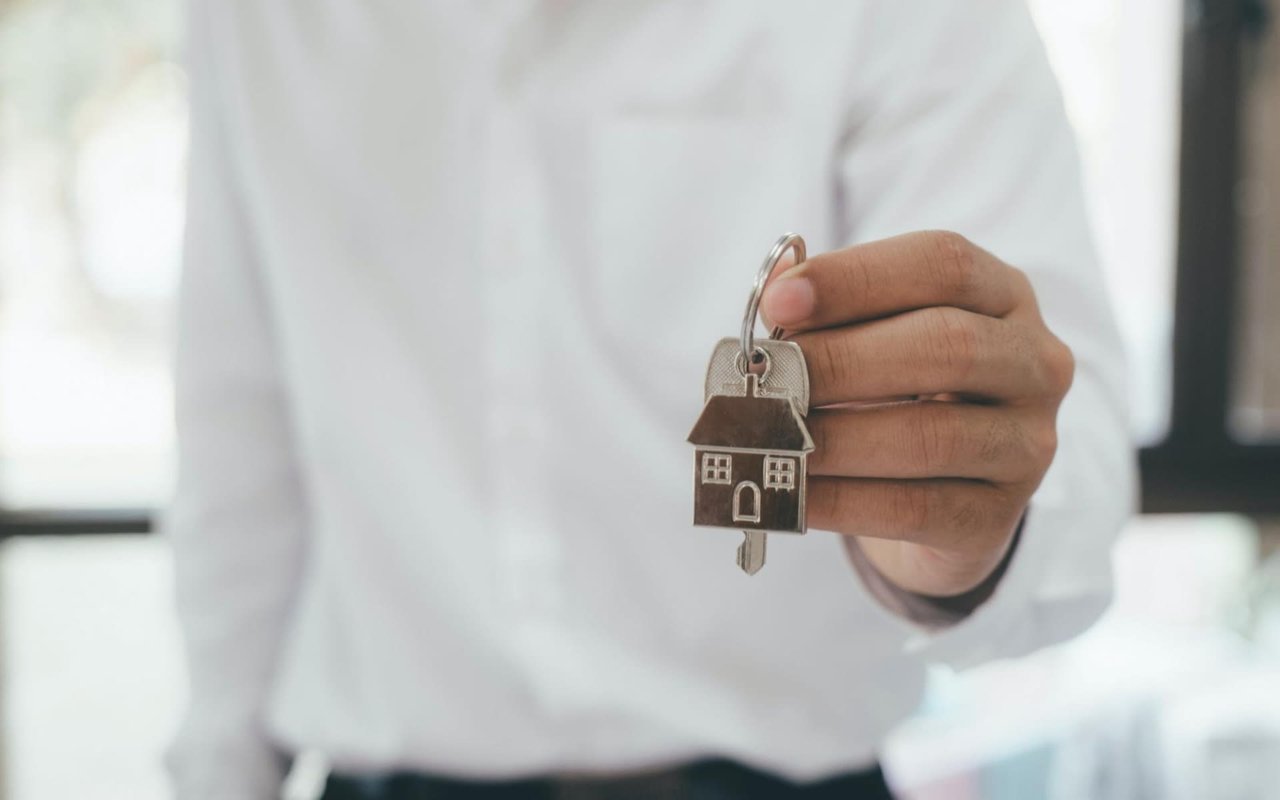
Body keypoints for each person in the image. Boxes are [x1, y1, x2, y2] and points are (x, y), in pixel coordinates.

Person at [165, 2, 1136, 798]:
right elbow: (237, 445)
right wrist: (219, 772)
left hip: (785, 775)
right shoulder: (256, 22)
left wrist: (951, 536)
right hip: (390, 770)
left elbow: (1069, 442)